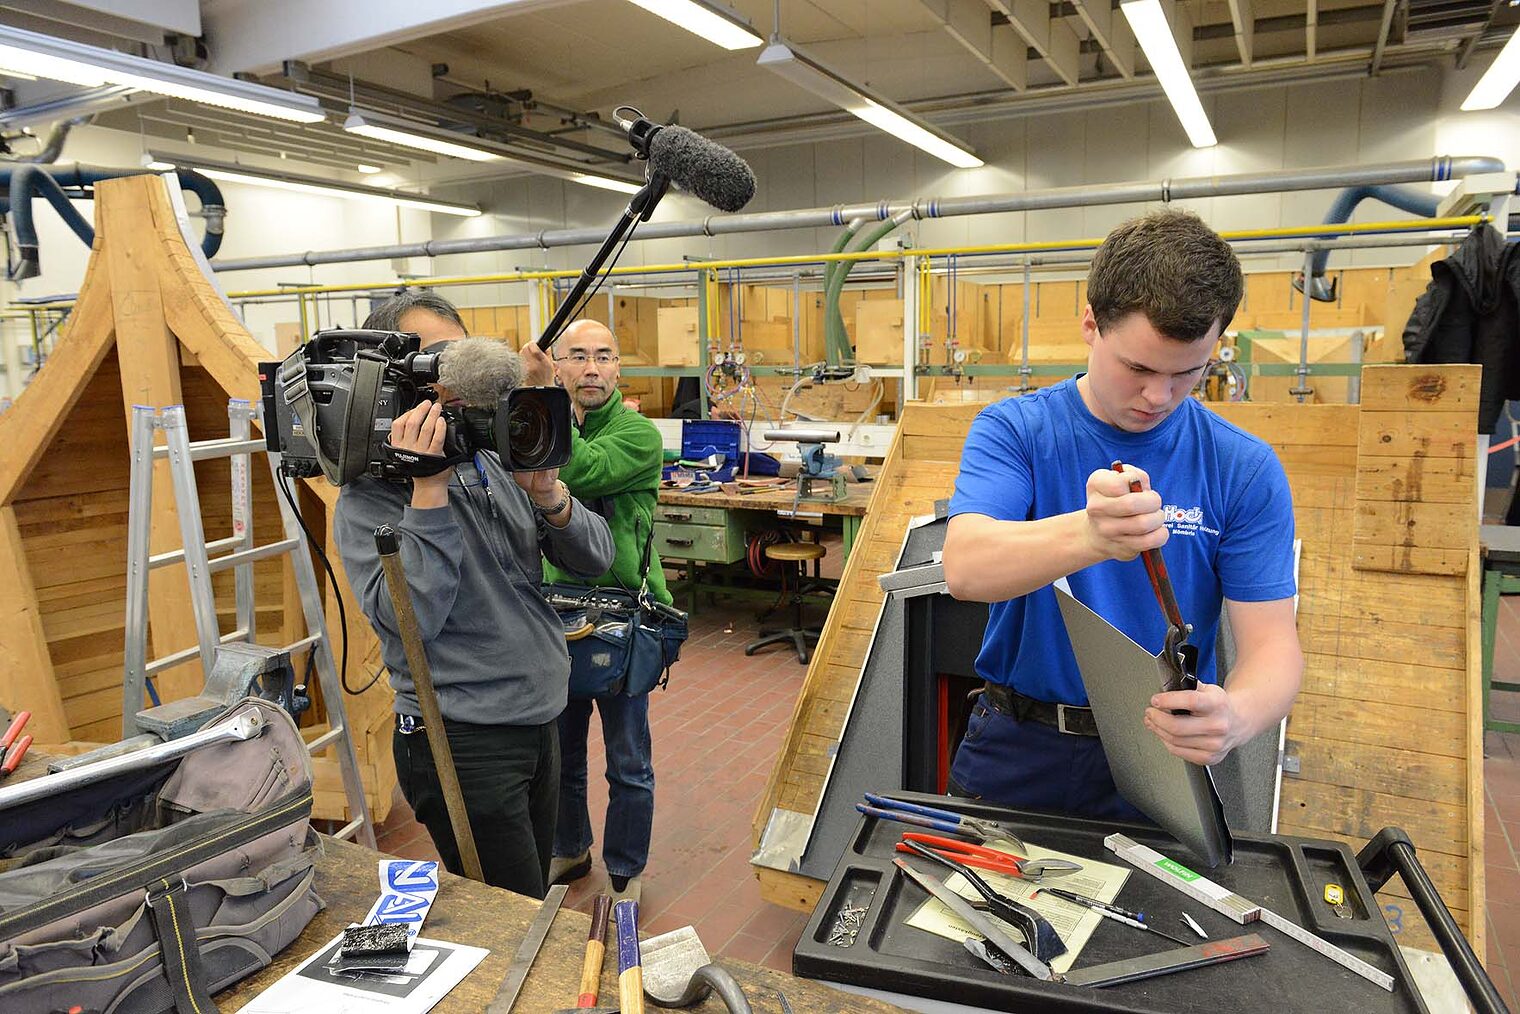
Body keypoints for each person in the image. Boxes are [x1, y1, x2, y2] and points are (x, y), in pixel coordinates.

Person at [941, 210, 1304, 821]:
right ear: (1091, 324)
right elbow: (965, 567)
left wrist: (1238, 714)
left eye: (1188, 372)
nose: (1158, 397)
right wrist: (1087, 535)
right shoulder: (1017, 431)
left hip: (1159, 755)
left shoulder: (1244, 468)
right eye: (1137, 368)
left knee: (1159, 914)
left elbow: (1274, 648)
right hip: (1020, 745)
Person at [333, 291, 615, 898]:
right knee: (509, 919)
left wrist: (547, 493)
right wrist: (427, 491)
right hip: (460, 741)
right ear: (392, 379)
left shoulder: (491, 462)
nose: (454, 381)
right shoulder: (370, 499)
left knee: (531, 895)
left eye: (460, 359)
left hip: (539, 719)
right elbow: (412, 620)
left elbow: (596, 558)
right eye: (435, 363)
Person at [519, 319, 669, 904]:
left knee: (628, 761)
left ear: (617, 369)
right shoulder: (554, 420)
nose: (591, 368)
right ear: (560, 364)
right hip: (558, 613)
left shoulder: (638, 436)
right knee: (562, 754)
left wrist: (543, 398)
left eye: (603, 357)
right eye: (576, 357)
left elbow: (577, 470)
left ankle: (626, 868)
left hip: (623, 619)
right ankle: (570, 849)